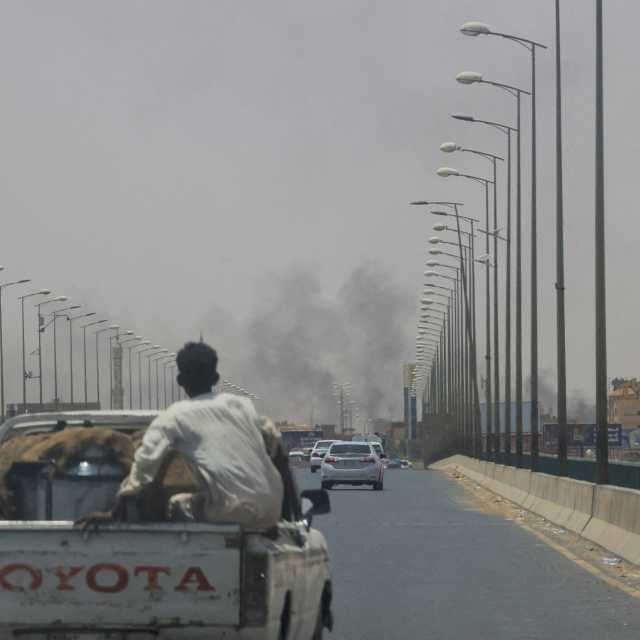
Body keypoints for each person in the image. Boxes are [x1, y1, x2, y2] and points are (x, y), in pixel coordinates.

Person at [88, 341, 284, 529]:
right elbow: (274, 438)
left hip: (231, 511)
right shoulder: (241, 404)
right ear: (216, 378)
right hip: (274, 509)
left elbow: (145, 463)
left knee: (177, 504)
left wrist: (115, 510)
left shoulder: (175, 415)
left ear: (180, 381)